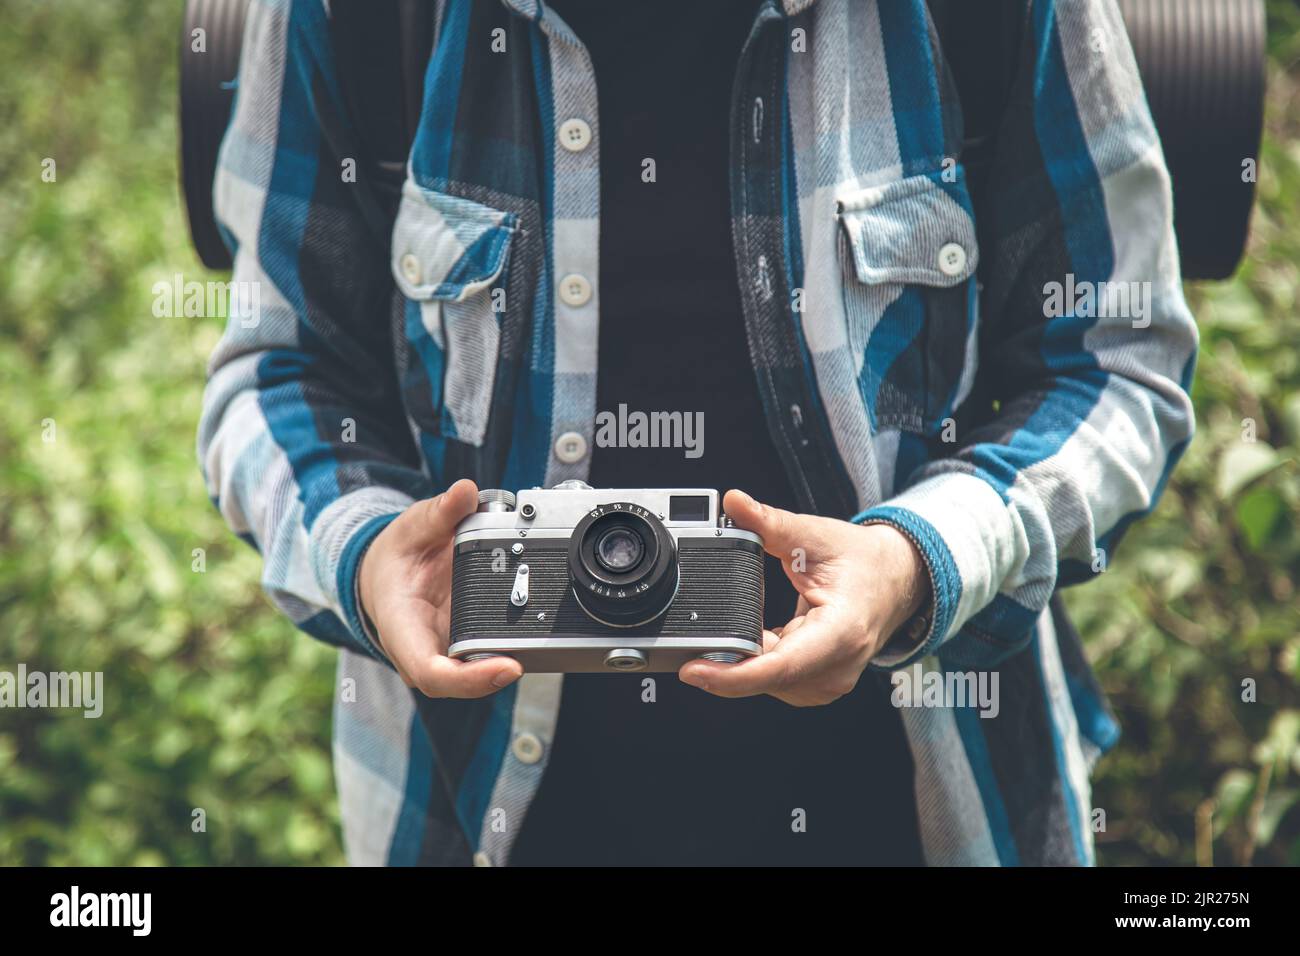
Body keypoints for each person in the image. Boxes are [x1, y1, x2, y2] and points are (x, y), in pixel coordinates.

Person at [199, 0, 1197, 866]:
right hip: (476, 811)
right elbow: (277, 371)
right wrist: (368, 552)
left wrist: (917, 562)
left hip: (925, 805)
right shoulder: (359, 15)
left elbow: (1114, 358)